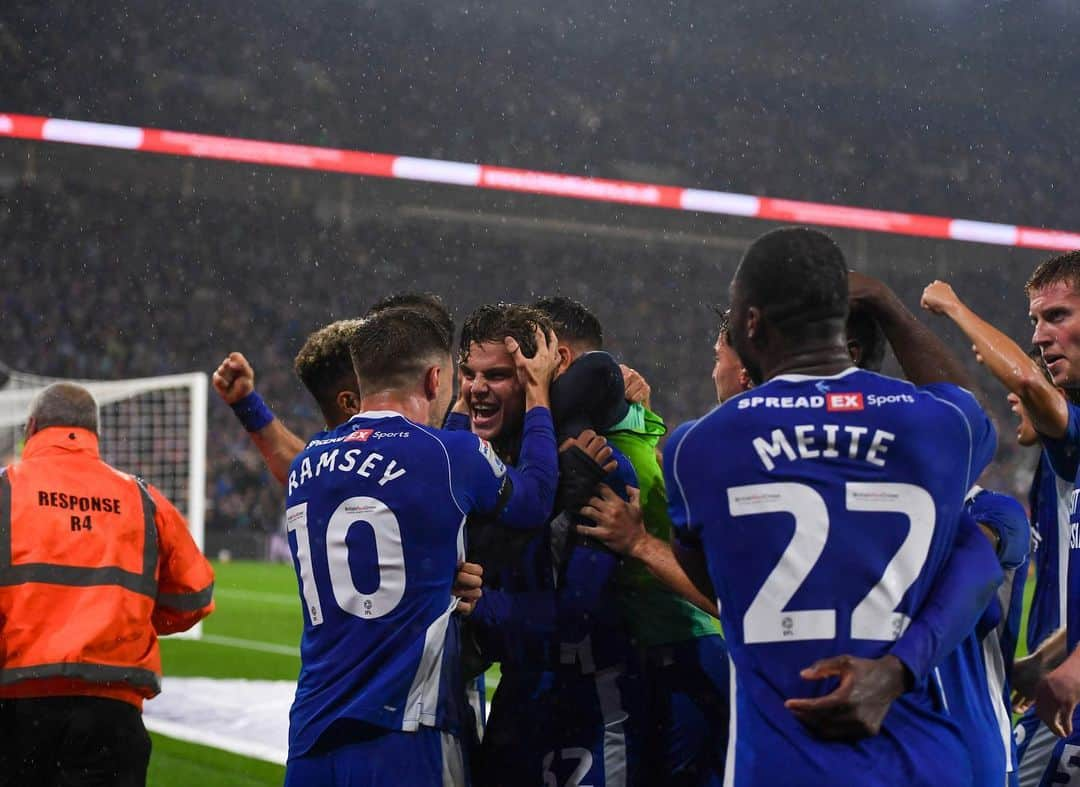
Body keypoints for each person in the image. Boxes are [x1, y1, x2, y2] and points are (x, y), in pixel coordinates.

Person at [581, 227, 1004, 786]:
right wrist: (886, 302)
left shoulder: (699, 448)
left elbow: (722, 588)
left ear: (752, 323)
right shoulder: (938, 425)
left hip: (785, 763)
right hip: (920, 760)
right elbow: (969, 417)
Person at [282, 306, 559, 786]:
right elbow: (534, 498)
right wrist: (537, 394)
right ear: (436, 379)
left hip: (311, 737)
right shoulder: (449, 456)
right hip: (405, 736)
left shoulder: (306, 464)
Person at [535, 295, 731, 785]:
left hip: (680, 650)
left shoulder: (604, 453)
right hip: (655, 651)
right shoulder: (632, 423)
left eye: (531, 359)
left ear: (562, 360)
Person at [0, 382, 215, 787]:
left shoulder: (5, 488)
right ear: (93, 433)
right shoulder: (142, 498)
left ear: (31, 427)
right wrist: (128, 616)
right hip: (113, 713)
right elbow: (195, 596)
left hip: (19, 709)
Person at [920, 264, 1080, 785]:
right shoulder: (1057, 469)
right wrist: (1048, 659)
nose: (1038, 336)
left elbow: (1029, 380)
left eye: (1056, 316)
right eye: (1035, 321)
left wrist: (953, 307)